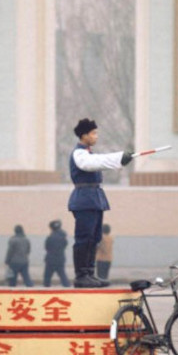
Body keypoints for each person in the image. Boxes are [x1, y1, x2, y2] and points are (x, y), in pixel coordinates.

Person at [68, 118, 133, 288]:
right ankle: (81, 275)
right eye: (93, 133)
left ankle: (90, 273)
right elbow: (94, 163)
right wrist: (119, 158)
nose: (96, 136)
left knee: (94, 238)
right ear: (84, 136)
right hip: (84, 199)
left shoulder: (88, 153)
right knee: (84, 238)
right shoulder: (80, 154)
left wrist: (119, 160)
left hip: (94, 199)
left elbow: (99, 161)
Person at [43, 219, 71, 287]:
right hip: (60, 258)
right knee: (62, 275)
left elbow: (47, 247)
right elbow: (65, 245)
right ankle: (67, 287)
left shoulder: (50, 237)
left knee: (47, 277)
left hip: (50, 259)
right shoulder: (63, 237)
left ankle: (46, 290)